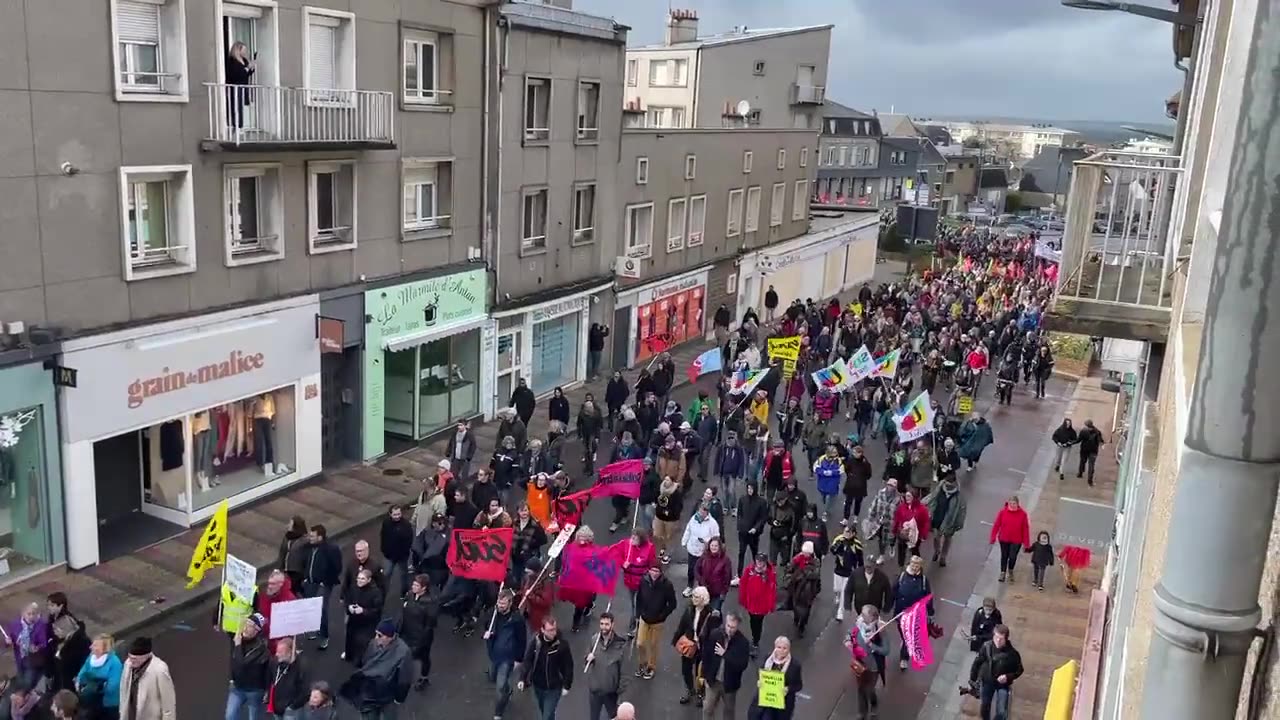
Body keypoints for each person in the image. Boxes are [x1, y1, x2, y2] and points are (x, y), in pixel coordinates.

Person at [341, 621, 413, 720]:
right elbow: (365, 663)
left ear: (389, 637)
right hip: (370, 692)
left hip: (388, 694)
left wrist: (399, 698)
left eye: (380, 635)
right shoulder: (373, 644)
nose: (376, 638)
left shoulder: (403, 652)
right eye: (376, 634)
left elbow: (404, 679)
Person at [672, 587, 720, 706]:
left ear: (704, 599)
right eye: (693, 596)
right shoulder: (689, 609)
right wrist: (675, 639)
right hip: (689, 643)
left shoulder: (712, 614)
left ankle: (700, 693)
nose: (694, 599)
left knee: (701, 672)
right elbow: (682, 625)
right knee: (686, 669)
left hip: (703, 647)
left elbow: (715, 634)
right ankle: (690, 689)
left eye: (697, 597)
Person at [519, 617, 573, 720]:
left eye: (554, 629)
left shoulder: (562, 646)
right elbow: (528, 660)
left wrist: (567, 685)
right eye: (550, 630)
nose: (553, 633)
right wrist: (522, 678)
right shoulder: (536, 641)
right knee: (545, 711)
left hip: (554, 687)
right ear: (543, 630)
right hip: (538, 685)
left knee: (546, 715)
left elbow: (568, 666)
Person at [484, 589, 527, 720]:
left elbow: (522, 639)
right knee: (493, 677)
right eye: (499, 602)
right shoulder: (492, 613)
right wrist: (487, 633)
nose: (500, 605)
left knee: (500, 686)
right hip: (494, 654)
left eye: (503, 603)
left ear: (510, 603)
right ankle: (508, 690)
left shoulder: (517, 619)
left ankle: (498, 712)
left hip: (507, 657)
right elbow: (487, 626)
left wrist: (519, 659)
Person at [701, 612, 751, 720]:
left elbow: (742, 665)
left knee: (729, 711)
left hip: (729, 684)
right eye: (728, 626)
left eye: (733, 627)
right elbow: (706, 656)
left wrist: (725, 654)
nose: (729, 629)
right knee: (707, 708)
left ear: (738, 626)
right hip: (713, 680)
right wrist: (704, 675)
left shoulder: (742, 643)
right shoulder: (715, 635)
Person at [968, 625, 1024, 720]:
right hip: (987, 681)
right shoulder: (987, 647)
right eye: (996, 637)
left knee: (1002, 711)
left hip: (1003, 685)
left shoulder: (1012, 654)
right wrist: (972, 680)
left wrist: (1008, 677)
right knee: (985, 706)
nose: (998, 641)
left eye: (1001, 639)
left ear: (1006, 639)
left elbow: (1019, 670)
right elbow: (977, 663)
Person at [300, 524, 343, 651]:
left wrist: (326, 581)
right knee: (310, 608)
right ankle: (314, 629)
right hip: (310, 582)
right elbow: (305, 562)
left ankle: (324, 636)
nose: (310, 538)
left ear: (320, 537)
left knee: (322, 610)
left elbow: (337, 567)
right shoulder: (308, 548)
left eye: (313, 536)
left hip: (323, 584)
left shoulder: (331, 549)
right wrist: (305, 577)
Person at [634, 564, 677, 680]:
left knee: (653, 645)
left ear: (660, 572)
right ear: (649, 571)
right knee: (640, 643)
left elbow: (673, 604)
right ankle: (642, 664)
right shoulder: (644, 581)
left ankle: (651, 667)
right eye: (652, 570)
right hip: (644, 618)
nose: (654, 573)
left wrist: (662, 616)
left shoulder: (667, 585)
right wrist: (638, 614)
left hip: (657, 622)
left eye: (657, 571)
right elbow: (639, 598)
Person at [891, 556, 935, 671]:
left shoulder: (924, 580)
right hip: (901, 612)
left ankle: (904, 658)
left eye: (917, 565)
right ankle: (904, 643)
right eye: (913, 564)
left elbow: (928, 597)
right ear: (909, 564)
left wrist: (930, 612)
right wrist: (890, 605)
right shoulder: (901, 577)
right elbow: (893, 592)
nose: (915, 567)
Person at [119, 637, 176, 720]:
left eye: (134, 659)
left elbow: (168, 703)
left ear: (146, 656)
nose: (131, 661)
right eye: (130, 657)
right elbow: (123, 690)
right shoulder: (128, 664)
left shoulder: (159, 670)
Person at [227, 614, 270, 720]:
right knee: (230, 716)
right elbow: (234, 662)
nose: (245, 627)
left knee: (253, 717)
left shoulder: (260, 648)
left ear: (257, 630)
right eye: (245, 623)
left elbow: (242, 663)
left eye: (250, 625)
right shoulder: (239, 640)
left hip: (254, 690)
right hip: (237, 687)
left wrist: (237, 645)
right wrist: (232, 678)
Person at [398, 575, 438, 690]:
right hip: (407, 632)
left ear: (424, 588)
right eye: (413, 584)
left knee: (423, 657)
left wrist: (421, 641)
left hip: (421, 636)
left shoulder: (430, 602)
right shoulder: (410, 595)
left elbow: (430, 625)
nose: (413, 587)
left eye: (416, 585)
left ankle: (424, 677)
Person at [46, 592, 90, 694]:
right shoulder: (52, 618)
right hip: (63, 654)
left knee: (68, 680)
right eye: (48, 605)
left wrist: (60, 640)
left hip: (71, 655)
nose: (49, 608)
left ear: (61, 606)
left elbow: (71, 637)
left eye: (52, 605)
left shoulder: (66, 619)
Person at [584, 613, 625, 720]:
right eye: (601, 624)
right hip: (595, 691)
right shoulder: (594, 640)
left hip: (610, 693)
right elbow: (587, 661)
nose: (603, 627)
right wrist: (588, 658)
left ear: (612, 625)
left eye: (607, 624)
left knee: (614, 718)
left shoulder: (620, 645)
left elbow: (624, 673)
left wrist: (620, 695)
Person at [848, 605, 887, 719]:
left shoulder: (880, 630)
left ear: (872, 617)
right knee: (860, 688)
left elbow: (886, 650)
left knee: (869, 689)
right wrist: (848, 640)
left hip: (874, 666)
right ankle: (862, 712)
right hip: (860, 663)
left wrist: (872, 645)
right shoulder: (859, 624)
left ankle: (874, 703)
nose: (861, 616)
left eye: (864, 615)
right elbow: (850, 634)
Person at [750, 636, 803, 720]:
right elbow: (760, 671)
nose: (781, 651)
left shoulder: (795, 665)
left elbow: (799, 685)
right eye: (779, 647)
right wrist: (760, 680)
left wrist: (788, 689)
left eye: (784, 648)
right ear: (775, 647)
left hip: (782, 704)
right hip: (766, 701)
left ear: (789, 649)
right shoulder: (768, 659)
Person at [75, 634, 123, 720]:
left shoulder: (114, 662)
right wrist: (78, 681)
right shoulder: (91, 658)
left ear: (104, 648)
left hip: (109, 703)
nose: (90, 647)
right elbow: (83, 671)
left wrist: (97, 688)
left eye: (95, 645)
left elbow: (113, 685)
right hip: (93, 701)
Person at [736, 555, 776, 656]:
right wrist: (743, 598)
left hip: (762, 605)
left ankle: (755, 641)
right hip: (751, 603)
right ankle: (755, 639)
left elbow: (771, 590)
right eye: (758, 560)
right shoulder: (749, 570)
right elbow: (743, 584)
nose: (759, 563)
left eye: (761, 561)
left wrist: (770, 605)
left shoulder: (769, 573)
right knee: (752, 621)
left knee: (758, 623)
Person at [342, 568, 385, 663]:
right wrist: (349, 607)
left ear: (369, 580)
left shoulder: (376, 592)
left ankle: (361, 661)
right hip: (353, 619)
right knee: (350, 638)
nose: (359, 581)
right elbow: (347, 599)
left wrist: (363, 611)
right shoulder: (353, 588)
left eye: (362, 579)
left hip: (367, 624)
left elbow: (377, 611)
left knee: (362, 643)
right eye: (358, 578)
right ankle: (349, 655)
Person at [4, 603, 50, 689]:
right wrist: (8, 642)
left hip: (32, 659)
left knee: (28, 680)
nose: (31, 616)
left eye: (34, 614)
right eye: (29, 614)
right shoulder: (15, 624)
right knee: (21, 676)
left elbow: (44, 642)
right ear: (23, 614)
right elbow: (9, 639)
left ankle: (26, 694)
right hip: (19, 657)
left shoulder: (41, 625)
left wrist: (37, 647)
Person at [925, 476, 966, 567]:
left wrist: (960, 522)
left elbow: (962, 509)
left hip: (951, 520)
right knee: (936, 537)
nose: (948, 486)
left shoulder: (958, 495)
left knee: (947, 539)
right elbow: (932, 498)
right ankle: (937, 550)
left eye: (950, 484)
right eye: (947, 484)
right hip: (938, 517)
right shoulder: (939, 489)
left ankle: (943, 557)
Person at [681, 505, 721, 597]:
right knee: (691, 569)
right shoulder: (694, 518)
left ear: (707, 512)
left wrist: (707, 542)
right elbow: (688, 529)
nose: (701, 513)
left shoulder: (713, 523)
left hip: (704, 552)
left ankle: (701, 589)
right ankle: (690, 587)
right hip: (692, 549)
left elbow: (716, 537)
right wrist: (684, 541)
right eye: (700, 511)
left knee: (702, 571)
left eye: (703, 512)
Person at [989, 496, 1031, 583]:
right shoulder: (1002, 512)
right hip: (1004, 539)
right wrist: (993, 537)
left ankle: (1011, 569)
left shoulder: (1023, 514)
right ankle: (1003, 572)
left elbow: (1025, 529)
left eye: (1014, 503)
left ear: (1017, 504)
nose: (1012, 505)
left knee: (1012, 556)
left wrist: (1026, 543)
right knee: (1004, 556)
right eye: (1011, 503)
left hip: (1016, 540)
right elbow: (997, 525)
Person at [784, 541, 821, 638]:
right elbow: (789, 569)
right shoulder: (796, 559)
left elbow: (816, 574)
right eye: (804, 552)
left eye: (807, 552)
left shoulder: (815, 561)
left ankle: (802, 625)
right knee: (795, 603)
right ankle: (796, 617)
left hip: (810, 588)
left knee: (807, 608)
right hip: (797, 586)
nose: (805, 554)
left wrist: (804, 573)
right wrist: (790, 579)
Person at [267, 637, 310, 720]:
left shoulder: (302, 667)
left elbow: (305, 691)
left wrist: (292, 707)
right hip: (277, 706)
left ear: (290, 652)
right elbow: (270, 680)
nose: (276, 654)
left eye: (280, 652)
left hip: (291, 710)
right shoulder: (274, 662)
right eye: (277, 651)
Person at [734, 481, 768, 578]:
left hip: (754, 534)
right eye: (748, 488)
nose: (750, 490)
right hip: (743, 532)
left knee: (755, 553)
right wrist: (740, 526)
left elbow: (763, 518)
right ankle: (739, 574)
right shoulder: (742, 499)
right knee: (741, 553)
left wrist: (755, 528)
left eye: (751, 489)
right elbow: (739, 514)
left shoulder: (761, 502)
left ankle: (757, 572)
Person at [830, 525, 863, 622]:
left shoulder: (857, 544)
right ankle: (837, 595)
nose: (846, 534)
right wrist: (838, 547)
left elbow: (860, 558)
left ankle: (840, 612)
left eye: (848, 532)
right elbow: (832, 550)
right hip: (838, 570)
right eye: (845, 531)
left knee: (845, 591)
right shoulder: (839, 539)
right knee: (837, 589)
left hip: (849, 572)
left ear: (853, 533)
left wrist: (860, 570)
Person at [380, 505, 414, 600]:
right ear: (390, 514)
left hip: (402, 556)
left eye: (399, 514)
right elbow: (383, 537)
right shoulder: (386, 523)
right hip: (389, 555)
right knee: (386, 575)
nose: (397, 516)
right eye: (395, 514)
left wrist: (405, 552)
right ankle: (383, 593)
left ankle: (404, 592)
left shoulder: (406, 524)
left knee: (403, 575)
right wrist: (384, 549)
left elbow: (409, 540)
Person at [892, 489, 931, 567]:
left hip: (916, 536)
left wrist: (923, 535)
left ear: (914, 497)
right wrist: (895, 530)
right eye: (906, 496)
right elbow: (897, 518)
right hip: (903, 534)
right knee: (901, 551)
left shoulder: (922, 509)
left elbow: (926, 522)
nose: (907, 498)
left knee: (914, 551)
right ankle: (901, 568)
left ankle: (917, 567)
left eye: (909, 496)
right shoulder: (901, 507)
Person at [695, 537, 733, 612]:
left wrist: (724, 592)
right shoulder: (704, 556)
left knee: (715, 613)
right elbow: (696, 569)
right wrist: (701, 581)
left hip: (717, 593)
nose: (713, 548)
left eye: (716, 546)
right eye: (712, 545)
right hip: (704, 591)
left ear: (720, 547)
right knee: (704, 612)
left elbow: (727, 577)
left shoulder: (725, 560)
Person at [224, 41, 255, 130]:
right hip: (235, 87)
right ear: (238, 50)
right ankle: (236, 125)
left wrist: (251, 69)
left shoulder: (244, 60)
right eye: (243, 50)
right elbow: (235, 74)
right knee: (236, 106)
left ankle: (240, 126)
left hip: (243, 86)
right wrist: (246, 69)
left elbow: (246, 73)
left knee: (241, 106)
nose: (245, 52)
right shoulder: (232, 61)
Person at [653, 478, 684, 565]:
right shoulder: (660, 489)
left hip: (670, 519)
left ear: (672, 482)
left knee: (669, 537)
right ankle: (661, 549)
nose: (666, 481)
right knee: (658, 535)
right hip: (659, 517)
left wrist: (669, 512)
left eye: (668, 480)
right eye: (665, 479)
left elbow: (679, 507)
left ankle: (668, 554)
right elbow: (656, 499)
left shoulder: (676, 493)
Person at [842, 444, 873, 525]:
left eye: (855, 453)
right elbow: (846, 469)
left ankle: (856, 517)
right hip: (851, 485)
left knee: (857, 502)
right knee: (848, 502)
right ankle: (846, 518)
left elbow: (869, 474)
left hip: (860, 486)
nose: (853, 454)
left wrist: (861, 478)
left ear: (860, 453)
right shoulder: (851, 460)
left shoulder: (865, 463)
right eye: (853, 452)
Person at [278, 516, 309, 592]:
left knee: (293, 590)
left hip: (297, 572)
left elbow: (307, 558)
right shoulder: (287, 537)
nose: (288, 525)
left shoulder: (304, 540)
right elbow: (282, 552)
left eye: (290, 524)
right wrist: (279, 567)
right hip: (286, 569)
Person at [1076, 419, 1104, 486]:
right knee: (1091, 465)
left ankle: (1080, 473)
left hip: (1084, 449)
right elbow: (1101, 441)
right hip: (1093, 451)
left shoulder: (1083, 431)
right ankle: (1090, 480)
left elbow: (1078, 440)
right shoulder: (1097, 432)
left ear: (1086, 425)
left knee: (1082, 461)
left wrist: (1071, 442)